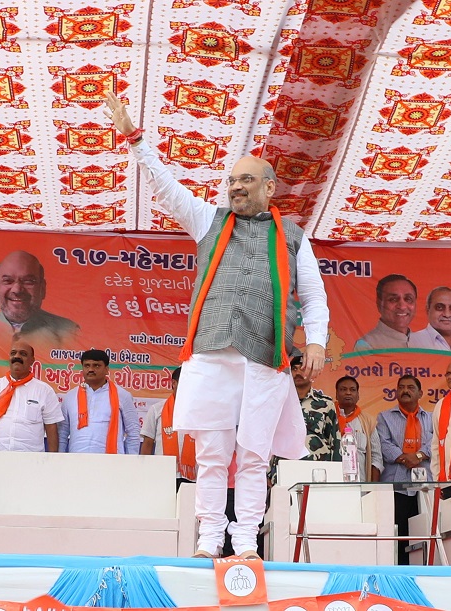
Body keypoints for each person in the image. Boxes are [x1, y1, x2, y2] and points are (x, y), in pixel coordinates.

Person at [106, 92, 329, 560]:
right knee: (211, 454)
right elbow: (168, 189)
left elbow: (312, 293)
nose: (235, 187)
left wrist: (317, 342)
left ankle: (246, 543)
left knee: (253, 456)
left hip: (265, 357)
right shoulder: (210, 220)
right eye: (231, 181)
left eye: (246, 180)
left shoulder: (292, 236)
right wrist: (135, 139)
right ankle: (209, 543)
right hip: (211, 353)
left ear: (270, 188)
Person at [376, 375, 433, 564]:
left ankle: (423, 569)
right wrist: (404, 458)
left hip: (424, 485)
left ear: (420, 393)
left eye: (410, 387)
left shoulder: (432, 418)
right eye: (401, 387)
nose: (405, 391)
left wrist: (417, 456)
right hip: (395, 483)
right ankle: (398, 568)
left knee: (423, 530)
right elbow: (383, 444)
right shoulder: (384, 417)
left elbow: (435, 442)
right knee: (398, 531)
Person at [0, 341, 62, 453]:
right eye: (13, 353)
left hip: (31, 459)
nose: (17, 356)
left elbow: (51, 428)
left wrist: (53, 460)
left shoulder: (44, 390)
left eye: (23, 354)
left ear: (32, 361)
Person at [269, 355, 342, 484]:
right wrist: (268, 474)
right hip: (284, 470)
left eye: (302, 369)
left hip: (318, 472)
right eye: (294, 369)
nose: (297, 373)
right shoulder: (278, 401)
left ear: (312, 374)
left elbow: (335, 441)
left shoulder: (326, 403)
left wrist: (337, 474)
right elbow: (268, 438)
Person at [59, 349, 140, 454]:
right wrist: (59, 460)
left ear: (106, 369)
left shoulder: (122, 395)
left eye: (96, 365)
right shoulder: (70, 396)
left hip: (111, 462)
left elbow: (133, 432)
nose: (91, 369)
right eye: (87, 365)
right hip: (77, 461)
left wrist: (131, 462)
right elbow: (62, 433)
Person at [0, 251, 80, 345]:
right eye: (8, 281)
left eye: (28, 282)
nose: (17, 290)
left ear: (42, 288)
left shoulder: (68, 332)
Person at [141, 367, 197, 483]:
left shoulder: (200, 411)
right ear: (174, 383)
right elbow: (148, 443)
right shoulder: (157, 410)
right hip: (163, 475)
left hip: (194, 475)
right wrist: (144, 471)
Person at [334, 376, 382, 481]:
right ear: (336, 395)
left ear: (358, 395)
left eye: (352, 390)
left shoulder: (368, 421)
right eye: (343, 389)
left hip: (360, 483)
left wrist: (373, 489)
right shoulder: (328, 417)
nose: (348, 393)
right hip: (332, 481)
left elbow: (376, 457)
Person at [354, 274, 416, 350]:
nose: (402, 307)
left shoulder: (424, 342)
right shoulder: (366, 345)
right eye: (393, 299)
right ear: (379, 304)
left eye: (408, 299)